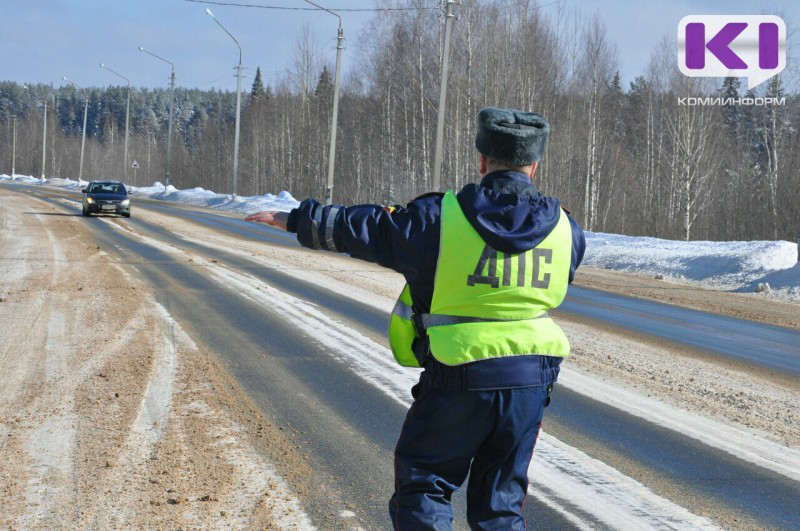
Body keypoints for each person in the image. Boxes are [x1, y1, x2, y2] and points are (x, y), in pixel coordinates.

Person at [246, 107, 585, 530]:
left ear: (482, 160)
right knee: (500, 505)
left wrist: (299, 218)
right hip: (531, 382)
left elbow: (370, 229)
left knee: (425, 485)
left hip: (458, 373)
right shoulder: (566, 229)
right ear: (534, 165)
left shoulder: (441, 218)